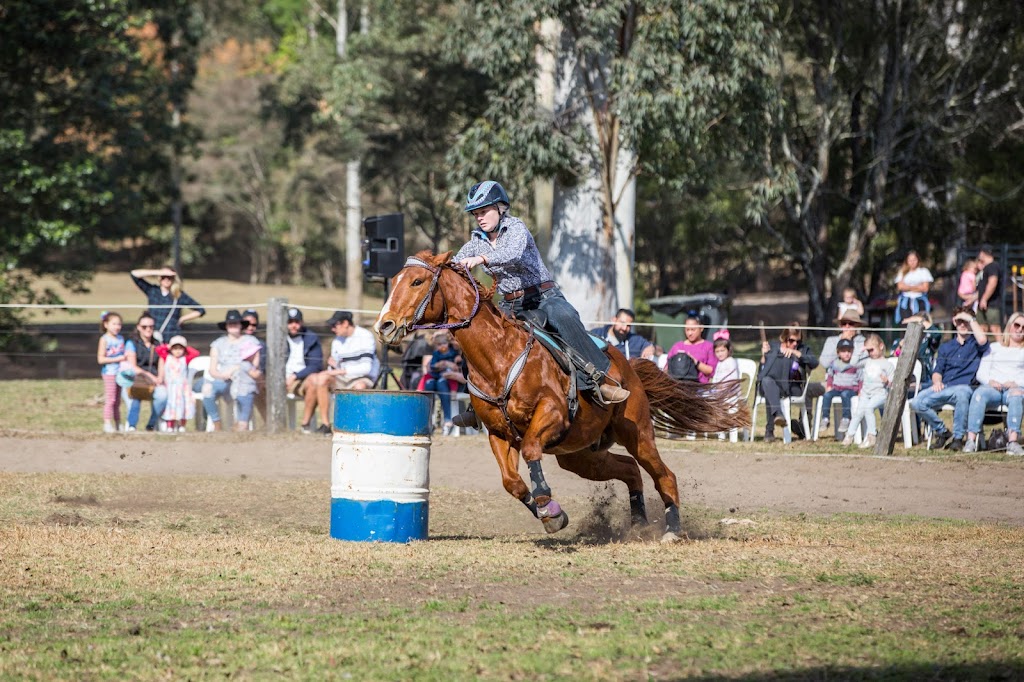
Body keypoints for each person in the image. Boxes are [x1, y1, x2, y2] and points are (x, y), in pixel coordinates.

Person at [452, 180, 628, 428]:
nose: (479, 218)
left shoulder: (516, 228)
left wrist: (480, 258)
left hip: (544, 297)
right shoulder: (475, 241)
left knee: (565, 318)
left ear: (501, 207)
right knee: (477, 337)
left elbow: (510, 253)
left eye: (483, 211)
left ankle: (602, 379)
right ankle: (476, 404)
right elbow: (456, 264)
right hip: (511, 304)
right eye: (476, 214)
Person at [909, 306, 989, 451]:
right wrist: (937, 381)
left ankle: (958, 439)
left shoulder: (975, 344)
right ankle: (943, 432)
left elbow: (983, 340)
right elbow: (938, 370)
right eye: (959, 321)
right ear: (954, 322)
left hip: (965, 387)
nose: (963, 324)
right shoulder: (946, 347)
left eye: (966, 321)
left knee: (962, 394)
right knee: (916, 402)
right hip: (945, 386)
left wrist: (970, 319)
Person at [305, 310, 378, 433]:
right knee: (321, 378)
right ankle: (326, 425)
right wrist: (333, 368)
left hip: (362, 377)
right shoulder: (337, 341)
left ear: (345, 323)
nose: (333, 329)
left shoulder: (365, 336)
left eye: (335, 325)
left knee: (360, 386)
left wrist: (339, 371)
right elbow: (335, 368)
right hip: (342, 377)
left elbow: (366, 368)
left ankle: (355, 426)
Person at [962, 313, 1024, 454]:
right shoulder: (994, 347)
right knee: (979, 394)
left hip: (1015, 388)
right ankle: (971, 440)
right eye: (1017, 325)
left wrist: (1016, 383)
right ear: (1009, 326)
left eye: (1023, 327)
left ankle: (1013, 442)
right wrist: (990, 381)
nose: (1020, 329)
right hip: (993, 387)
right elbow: (981, 372)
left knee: (1016, 396)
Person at [758, 324, 819, 442]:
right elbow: (762, 370)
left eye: (798, 340)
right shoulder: (773, 347)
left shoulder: (802, 349)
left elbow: (814, 363)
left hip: (793, 387)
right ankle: (778, 415)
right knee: (768, 383)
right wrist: (763, 355)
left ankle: (769, 431)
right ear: (784, 338)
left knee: (770, 389)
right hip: (772, 385)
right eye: (791, 340)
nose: (795, 344)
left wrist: (796, 354)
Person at [202, 310, 262, 431]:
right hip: (223, 380)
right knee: (207, 389)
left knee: (244, 388)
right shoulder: (218, 344)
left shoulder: (250, 341)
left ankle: (241, 423)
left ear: (241, 325)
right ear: (226, 326)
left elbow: (255, 365)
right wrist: (223, 375)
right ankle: (216, 423)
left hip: (244, 379)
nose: (233, 325)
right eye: (230, 323)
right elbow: (212, 370)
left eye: (236, 323)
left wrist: (236, 369)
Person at [129, 266, 205, 342]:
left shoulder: (179, 295)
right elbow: (134, 274)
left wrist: (182, 319)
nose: (166, 279)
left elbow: (200, 310)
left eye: (169, 277)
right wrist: (158, 272)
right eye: (163, 277)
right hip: (153, 334)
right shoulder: (152, 290)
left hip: (171, 334)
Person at [121, 312, 169, 432]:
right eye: (144, 327)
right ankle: (132, 425)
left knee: (163, 396)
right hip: (135, 380)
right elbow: (133, 366)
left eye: (151, 327)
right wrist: (149, 376)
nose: (148, 329)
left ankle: (151, 425)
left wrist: (160, 377)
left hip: (154, 382)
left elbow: (161, 362)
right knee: (135, 398)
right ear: (138, 327)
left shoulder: (157, 344)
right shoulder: (132, 343)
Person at [841, 334, 890, 449]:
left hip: (880, 393)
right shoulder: (867, 361)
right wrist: (860, 351)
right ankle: (849, 436)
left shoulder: (886, 364)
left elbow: (893, 380)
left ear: (881, 346)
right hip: (866, 393)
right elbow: (853, 363)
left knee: (868, 408)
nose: (870, 353)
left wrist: (887, 381)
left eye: (871, 350)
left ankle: (872, 435)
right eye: (867, 350)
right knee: (858, 413)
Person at [282, 308, 324, 430]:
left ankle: (305, 425)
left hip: (302, 379)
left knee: (314, 381)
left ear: (302, 322)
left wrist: (295, 376)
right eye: (290, 322)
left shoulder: (311, 338)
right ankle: (273, 426)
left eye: (296, 322)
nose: (293, 325)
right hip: (280, 379)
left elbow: (315, 365)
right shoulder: (279, 338)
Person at [818, 337, 862, 437]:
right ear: (838, 352)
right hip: (837, 388)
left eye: (849, 351)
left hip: (851, 389)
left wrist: (860, 390)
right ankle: (825, 418)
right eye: (843, 351)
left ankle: (846, 418)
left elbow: (861, 378)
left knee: (845, 394)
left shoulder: (855, 364)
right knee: (827, 396)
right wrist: (829, 386)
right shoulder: (834, 364)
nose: (846, 354)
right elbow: (830, 375)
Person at [158, 335, 195, 432]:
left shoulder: (185, 359)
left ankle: (182, 424)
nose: (177, 351)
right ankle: (170, 425)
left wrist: (186, 348)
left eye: (180, 348)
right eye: (175, 348)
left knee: (183, 406)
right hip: (170, 386)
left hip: (182, 387)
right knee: (170, 406)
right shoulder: (167, 358)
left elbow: (195, 353)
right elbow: (159, 349)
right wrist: (167, 346)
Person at [97, 311, 126, 433]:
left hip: (120, 373)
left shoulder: (121, 339)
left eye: (119, 324)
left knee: (118, 401)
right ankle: (107, 422)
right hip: (109, 373)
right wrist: (117, 359)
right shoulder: (104, 340)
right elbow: (101, 359)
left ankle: (118, 423)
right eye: (114, 324)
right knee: (111, 399)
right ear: (106, 324)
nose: (117, 327)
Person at [666, 316, 717, 383]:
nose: (690, 333)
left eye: (693, 330)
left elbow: (712, 371)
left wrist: (695, 362)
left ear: (701, 328)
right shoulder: (677, 346)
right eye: (687, 330)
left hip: (699, 387)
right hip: (678, 386)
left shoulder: (708, 346)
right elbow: (667, 368)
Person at [893, 250, 934, 324]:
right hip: (906, 303)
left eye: (914, 260)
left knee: (921, 322)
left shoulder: (923, 271)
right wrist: (917, 287)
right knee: (905, 323)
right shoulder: (902, 272)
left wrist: (908, 287)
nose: (912, 262)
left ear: (918, 260)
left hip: (919, 301)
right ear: (907, 261)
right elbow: (900, 287)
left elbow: (925, 288)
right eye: (910, 260)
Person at [241, 309, 267, 420]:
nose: (250, 327)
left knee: (260, 385)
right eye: (247, 324)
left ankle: (268, 422)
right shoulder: (232, 341)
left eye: (254, 324)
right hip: (238, 377)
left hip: (257, 379)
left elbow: (264, 366)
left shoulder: (261, 344)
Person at [976, 244, 1002, 337]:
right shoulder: (986, 268)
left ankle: (1002, 349)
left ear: (983, 253)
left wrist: (984, 299)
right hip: (982, 303)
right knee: (981, 328)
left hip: (991, 304)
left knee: (995, 328)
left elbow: (993, 282)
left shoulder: (993, 266)